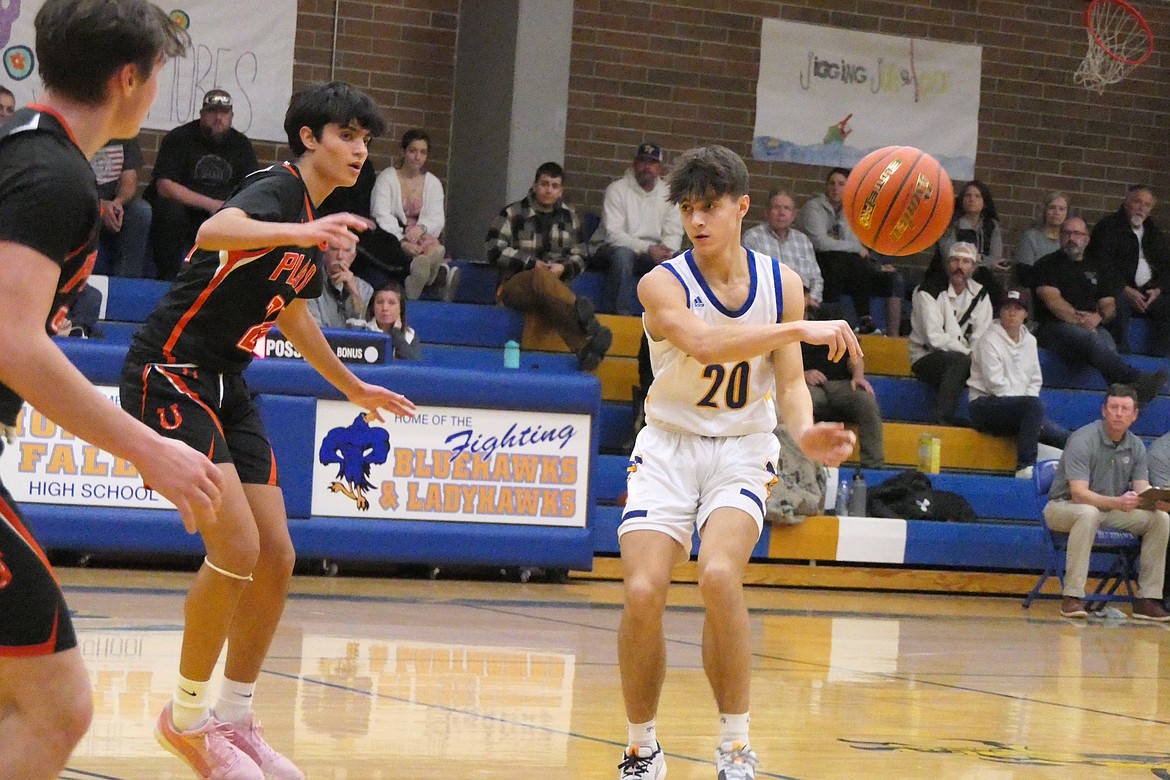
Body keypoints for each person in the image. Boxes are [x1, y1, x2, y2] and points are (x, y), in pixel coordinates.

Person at [119, 81, 415, 780]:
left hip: (228, 384)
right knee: (237, 545)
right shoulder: (278, 193)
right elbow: (210, 232)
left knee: (276, 556)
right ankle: (186, 717)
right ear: (309, 137)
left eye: (366, 141)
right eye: (348, 136)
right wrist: (300, 232)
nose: (359, 150)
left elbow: (290, 314)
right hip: (171, 370)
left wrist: (352, 384)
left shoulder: (314, 219)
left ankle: (235, 715)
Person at [0, 3, 224, 779]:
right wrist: (148, 448)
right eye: (159, 71)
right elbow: (13, 342)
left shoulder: (19, 149)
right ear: (130, 78)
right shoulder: (51, 172)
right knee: (55, 707)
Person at [617, 145, 860, 780]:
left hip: (742, 448)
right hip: (668, 443)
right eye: (688, 210)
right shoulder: (661, 282)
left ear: (741, 208)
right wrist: (797, 331)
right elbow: (701, 341)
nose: (697, 221)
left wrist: (804, 434)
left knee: (719, 577)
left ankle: (734, 745)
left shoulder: (782, 284)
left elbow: (788, 388)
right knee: (643, 591)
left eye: (711, 208)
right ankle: (642, 746)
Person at [1043, 384, 1170, 621]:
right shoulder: (1082, 439)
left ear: (1135, 415)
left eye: (1125, 408)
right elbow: (1079, 493)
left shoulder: (1136, 446)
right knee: (1088, 513)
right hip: (1064, 507)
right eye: (1114, 407)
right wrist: (1117, 502)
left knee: (1160, 519)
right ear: (1104, 411)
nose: (1118, 413)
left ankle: (1147, 598)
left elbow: (1143, 490)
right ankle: (1072, 597)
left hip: (1108, 508)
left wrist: (1158, 501)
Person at [486, 161, 612, 371]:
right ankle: (587, 322)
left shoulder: (570, 217)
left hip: (554, 291)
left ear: (560, 190)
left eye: (554, 186)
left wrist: (563, 268)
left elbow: (581, 256)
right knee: (539, 275)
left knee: (549, 295)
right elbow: (493, 249)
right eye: (544, 184)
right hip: (514, 287)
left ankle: (585, 350)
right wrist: (532, 263)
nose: (548, 190)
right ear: (535, 185)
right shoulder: (513, 213)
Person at [1032, 216, 1166, 404]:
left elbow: (1109, 304)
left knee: (1109, 346)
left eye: (1077, 233)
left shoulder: (1098, 267)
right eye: (1067, 233)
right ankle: (1136, 379)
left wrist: (1098, 317)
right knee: (1091, 340)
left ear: (1087, 239)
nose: (1072, 238)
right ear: (1060, 237)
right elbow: (1053, 302)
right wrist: (1081, 322)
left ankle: (1128, 400)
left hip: (1092, 325)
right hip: (1054, 328)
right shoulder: (1045, 265)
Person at [147, 88, 259, 280]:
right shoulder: (179, 138)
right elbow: (165, 186)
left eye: (223, 112)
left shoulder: (241, 145)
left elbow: (251, 189)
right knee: (169, 213)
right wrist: (212, 205)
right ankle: (166, 281)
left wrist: (229, 210)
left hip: (222, 213)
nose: (218, 117)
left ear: (231, 116)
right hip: (184, 211)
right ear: (201, 114)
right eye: (212, 111)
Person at [967, 288, 1069, 479]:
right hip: (984, 405)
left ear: (1026, 314)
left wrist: (1028, 414)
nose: (1012, 313)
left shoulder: (1030, 341)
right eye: (1007, 308)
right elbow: (995, 384)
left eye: (1018, 309)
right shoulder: (988, 340)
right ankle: (1025, 466)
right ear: (1000, 312)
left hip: (1022, 409)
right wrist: (1025, 410)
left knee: (1066, 438)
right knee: (1033, 406)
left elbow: (1035, 379)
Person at [796, 167, 903, 334]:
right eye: (831, 183)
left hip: (847, 266)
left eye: (841, 184)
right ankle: (859, 318)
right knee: (841, 260)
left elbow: (854, 246)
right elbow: (821, 243)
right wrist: (854, 248)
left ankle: (878, 328)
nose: (835, 188)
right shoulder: (813, 207)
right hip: (818, 261)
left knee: (879, 274)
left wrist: (875, 265)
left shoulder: (851, 210)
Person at [590, 142, 683, 315]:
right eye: (642, 161)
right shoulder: (617, 190)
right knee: (623, 256)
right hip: (611, 249)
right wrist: (648, 248)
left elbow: (674, 232)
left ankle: (668, 321)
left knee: (681, 260)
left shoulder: (670, 195)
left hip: (651, 253)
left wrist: (666, 252)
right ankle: (619, 317)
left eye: (652, 162)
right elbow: (614, 235)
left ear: (660, 168)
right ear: (634, 164)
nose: (647, 167)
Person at [908, 242, 992, 425]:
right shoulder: (928, 290)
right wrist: (969, 354)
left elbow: (982, 337)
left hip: (966, 359)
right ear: (947, 264)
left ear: (974, 267)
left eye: (966, 262)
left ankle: (988, 423)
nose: (959, 267)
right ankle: (941, 420)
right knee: (960, 362)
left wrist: (975, 358)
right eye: (955, 260)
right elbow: (934, 337)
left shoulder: (981, 295)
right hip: (927, 357)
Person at [370, 128, 457, 300]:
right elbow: (380, 213)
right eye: (413, 151)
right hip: (392, 235)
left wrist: (421, 229)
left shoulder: (433, 183)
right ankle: (432, 272)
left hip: (422, 236)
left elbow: (437, 218)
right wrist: (402, 240)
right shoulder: (387, 178)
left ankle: (420, 276)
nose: (418, 157)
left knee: (436, 248)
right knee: (421, 252)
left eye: (423, 152)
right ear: (403, 152)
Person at [1089, 185, 1170, 356]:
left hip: (1148, 293)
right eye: (1137, 201)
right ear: (1126, 201)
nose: (1141, 208)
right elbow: (1101, 263)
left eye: (1147, 205)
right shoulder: (1108, 227)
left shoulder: (1154, 233)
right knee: (1117, 301)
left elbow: (1166, 267)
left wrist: (1157, 290)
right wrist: (1126, 289)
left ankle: (1160, 359)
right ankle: (1121, 357)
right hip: (1119, 289)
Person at [801, 326, 884, 468]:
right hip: (804, 383)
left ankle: (874, 465)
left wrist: (858, 376)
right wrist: (803, 374)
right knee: (804, 402)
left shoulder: (835, 317)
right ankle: (806, 466)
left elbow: (855, 353)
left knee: (865, 400)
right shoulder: (791, 318)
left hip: (841, 383)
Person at [742, 189, 824, 317]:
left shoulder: (803, 241)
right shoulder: (753, 237)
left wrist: (810, 299)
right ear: (767, 212)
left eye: (786, 208)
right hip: (765, 307)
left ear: (793, 215)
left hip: (802, 308)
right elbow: (748, 278)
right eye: (776, 207)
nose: (781, 213)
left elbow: (817, 279)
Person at [934, 180, 1008, 308]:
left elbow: (996, 256)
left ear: (985, 202)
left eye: (977, 196)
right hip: (950, 273)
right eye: (968, 195)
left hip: (981, 275)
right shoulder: (950, 224)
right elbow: (949, 254)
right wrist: (984, 261)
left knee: (998, 295)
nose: (972, 199)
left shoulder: (991, 225)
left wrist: (980, 261)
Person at [90, 135, 151, 277]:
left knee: (141, 211)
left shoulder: (125, 133)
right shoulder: (80, 131)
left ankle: (126, 282)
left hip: (112, 206)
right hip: (83, 204)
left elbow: (130, 180)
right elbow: (71, 185)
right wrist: (100, 206)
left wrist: (118, 203)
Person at [306, 243, 372, 329]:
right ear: (324, 252)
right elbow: (313, 330)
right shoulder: (309, 284)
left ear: (353, 256)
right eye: (334, 249)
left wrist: (354, 293)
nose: (340, 256)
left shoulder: (365, 289)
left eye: (346, 250)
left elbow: (366, 331)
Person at [1014, 192, 1069, 287]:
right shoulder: (1031, 237)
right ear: (1045, 211)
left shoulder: (1068, 240)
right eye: (1052, 208)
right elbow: (1023, 274)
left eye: (1061, 209)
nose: (1056, 213)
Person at [361, 281, 422, 360]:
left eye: (391, 303)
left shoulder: (409, 336)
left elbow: (414, 366)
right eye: (380, 302)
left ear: (401, 308)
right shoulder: (362, 331)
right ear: (373, 307)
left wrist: (396, 333)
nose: (385, 308)